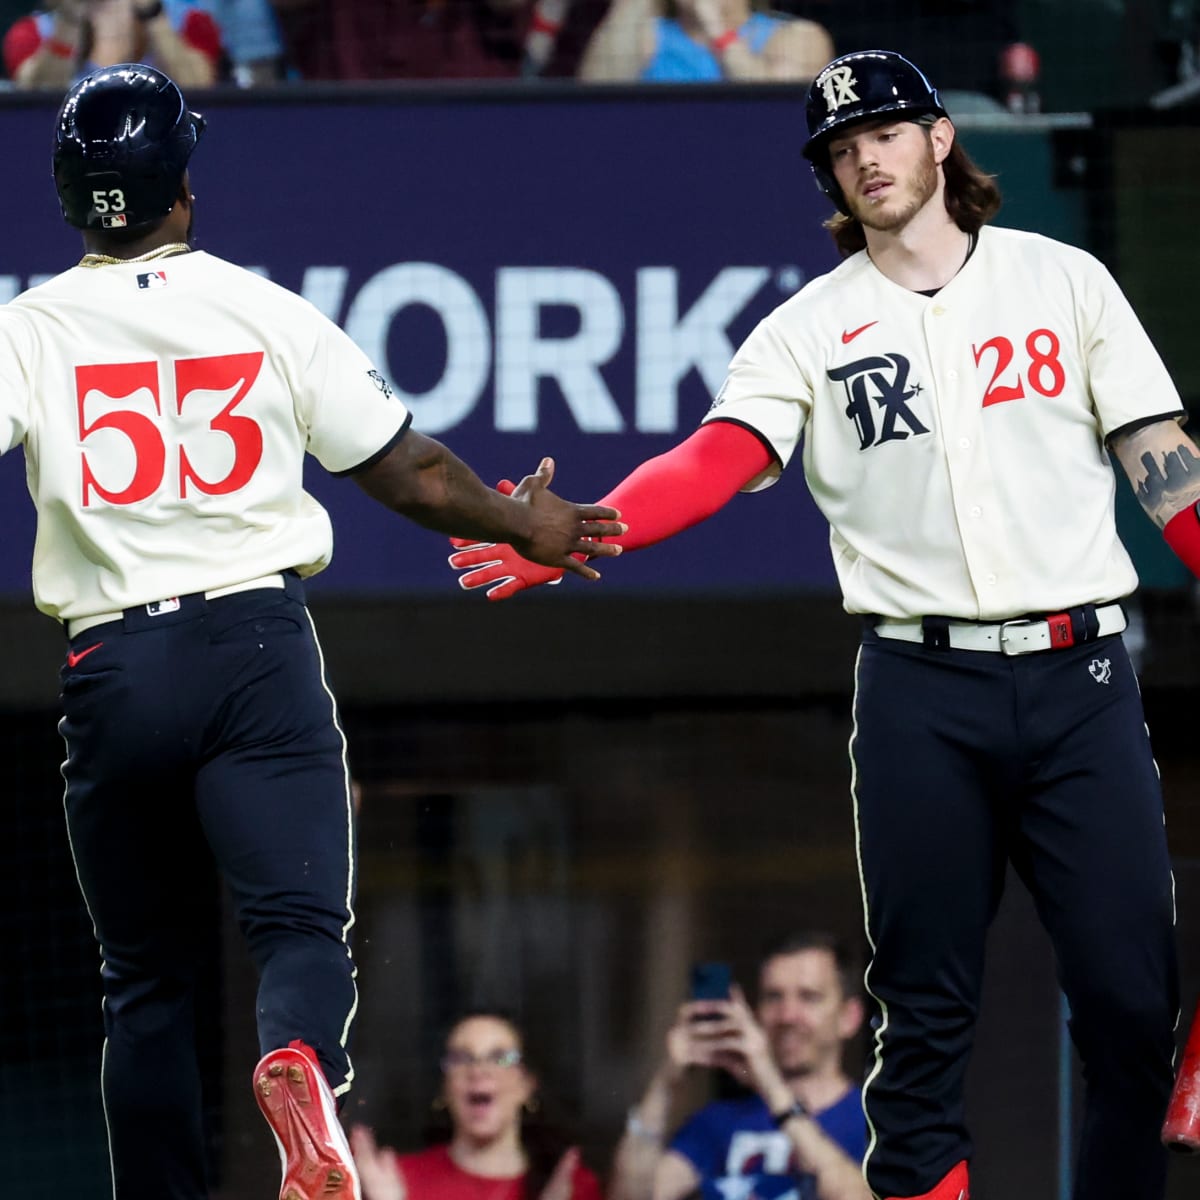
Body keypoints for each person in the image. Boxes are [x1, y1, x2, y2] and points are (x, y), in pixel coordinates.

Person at [449, 47, 1194, 1200]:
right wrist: (589, 528)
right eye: (842, 151)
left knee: (1133, 1006)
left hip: (1077, 674)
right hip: (919, 692)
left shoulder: (1065, 280)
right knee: (923, 1025)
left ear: (940, 140)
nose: (864, 159)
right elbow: (717, 459)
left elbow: (1167, 474)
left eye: (884, 134)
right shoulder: (809, 326)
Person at [6, 62, 624, 1200]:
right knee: (298, 931)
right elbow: (414, 472)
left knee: (140, 983)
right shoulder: (260, 306)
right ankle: (298, 1058)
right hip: (254, 650)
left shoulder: (30, 330)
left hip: (114, 667)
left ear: (66, 196)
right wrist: (521, 522)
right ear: (183, 190)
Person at [609, 933, 868, 1200]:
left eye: (809, 997)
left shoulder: (876, 1119)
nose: (787, 1016)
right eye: (773, 997)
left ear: (849, 1017)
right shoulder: (718, 1121)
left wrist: (771, 1085)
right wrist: (664, 1083)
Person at [350, 1009, 603, 1200]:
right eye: (461, 1058)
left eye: (499, 1057)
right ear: (444, 1088)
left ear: (527, 1084)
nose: (478, 1070)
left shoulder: (571, 1185)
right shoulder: (397, 1178)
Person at [576, 0, 831, 82]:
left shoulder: (798, 35)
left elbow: (773, 113)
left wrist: (715, 28)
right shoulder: (647, 34)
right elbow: (594, 91)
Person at [4, 0, 221, 89]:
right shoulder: (32, 32)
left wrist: (153, 16)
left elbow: (198, 87)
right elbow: (35, 98)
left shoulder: (190, 22)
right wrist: (69, 21)